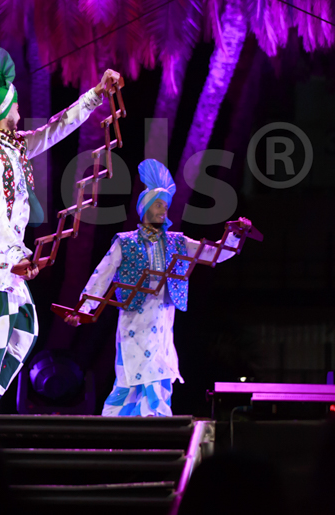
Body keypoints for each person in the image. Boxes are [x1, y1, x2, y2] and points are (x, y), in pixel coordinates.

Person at [0, 43, 120, 414]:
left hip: (3, 255)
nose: (20, 106)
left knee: (25, 329)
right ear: (3, 111)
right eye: (14, 102)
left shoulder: (11, 145)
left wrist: (96, 95)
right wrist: (18, 254)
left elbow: (55, 128)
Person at [66, 159, 251, 416]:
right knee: (131, 374)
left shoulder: (177, 241)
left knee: (159, 369)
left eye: (166, 205)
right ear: (145, 208)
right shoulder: (125, 242)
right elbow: (102, 276)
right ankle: (120, 421)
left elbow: (212, 254)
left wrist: (235, 235)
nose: (163, 210)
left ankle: (157, 419)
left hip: (163, 318)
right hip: (133, 317)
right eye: (158, 204)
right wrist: (83, 309)